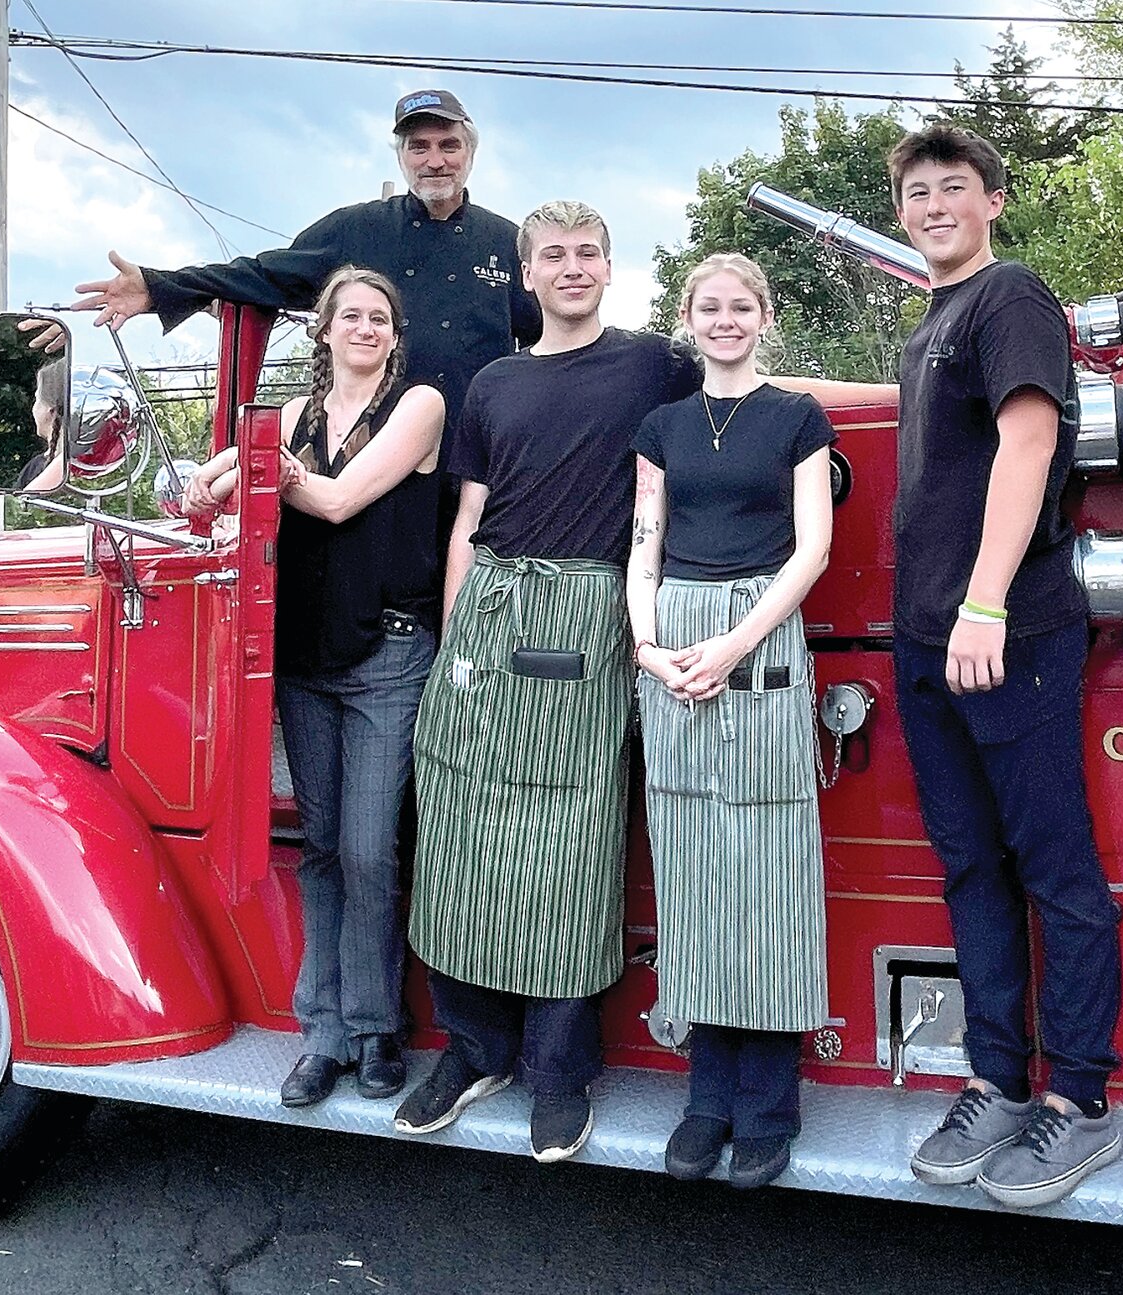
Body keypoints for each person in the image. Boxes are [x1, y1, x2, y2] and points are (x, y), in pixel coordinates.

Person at [396, 200, 702, 1162]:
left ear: (610, 268)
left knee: (570, 840)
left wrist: (893, 391)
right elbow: (468, 519)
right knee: (455, 832)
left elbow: (751, 381)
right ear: (525, 274)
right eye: (553, 255)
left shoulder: (655, 364)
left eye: (588, 252)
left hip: (589, 614)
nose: (571, 267)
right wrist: (453, 645)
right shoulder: (493, 382)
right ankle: (473, 1048)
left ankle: (559, 1074)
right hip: (487, 611)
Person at [886, 124, 1123, 1207]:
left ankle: (1078, 1101)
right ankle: (998, 1080)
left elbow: (1030, 443)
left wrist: (985, 599)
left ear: (993, 200)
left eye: (953, 188)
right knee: (971, 867)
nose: (933, 204)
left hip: (1008, 629)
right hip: (931, 642)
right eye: (917, 192)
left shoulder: (1010, 296)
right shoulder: (930, 326)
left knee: (1052, 868)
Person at [184, 266, 444, 1108]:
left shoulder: (419, 407)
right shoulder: (291, 416)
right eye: (350, 316)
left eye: (380, 318)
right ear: (323, 331)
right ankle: (322, 1034)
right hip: (304, 658)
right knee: (324, 851)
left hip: (388, 656)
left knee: (371, 848)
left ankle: (376, 1029)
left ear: (393, 337)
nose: (366, 328)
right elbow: (219, 480)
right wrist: (206, 479)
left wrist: (264, 468)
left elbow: (334, 501)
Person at [69, 89, 540, 533]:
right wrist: (158, 287)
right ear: (401, 157)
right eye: (419, 147)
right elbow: (261, 275)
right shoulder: (356, 229)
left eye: (448, 145)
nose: (435, 160)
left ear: (470, 153)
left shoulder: (506, 242)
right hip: (367, 470)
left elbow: (549, 338)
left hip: (478, 470)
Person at [626, 253, 834, 1190]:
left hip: (764, 638)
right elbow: (644, 543)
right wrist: (646, 643)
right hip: (672, 641)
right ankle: (705, 1096)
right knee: (692, 864)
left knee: (770, 868)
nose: (724, 320)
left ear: (764, 317)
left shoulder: (797, 418)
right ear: (688, 317)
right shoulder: (663, 424)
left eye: (740, 307)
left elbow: (813, 548)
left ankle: (768, 1105)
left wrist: (737, 644)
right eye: (708, 307)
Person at [17, 356, 69, 492]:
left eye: (36, 399)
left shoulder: (36, 468)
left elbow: (24, 504)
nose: (33, 408)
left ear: (50, 409)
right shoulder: (95, 463)